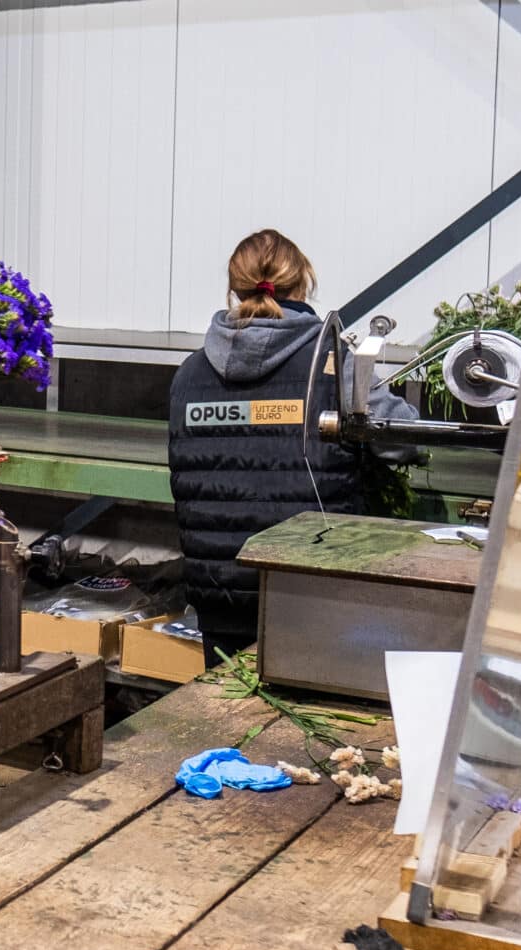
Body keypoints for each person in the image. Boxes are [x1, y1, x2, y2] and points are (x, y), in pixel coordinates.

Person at [168, 229, 419, 660]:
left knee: (221, 714)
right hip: (311, 593)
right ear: (302, 285)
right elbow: (403, 441)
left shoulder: (189, 373)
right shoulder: (331, 364)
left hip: (219, 596)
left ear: (233, 288)